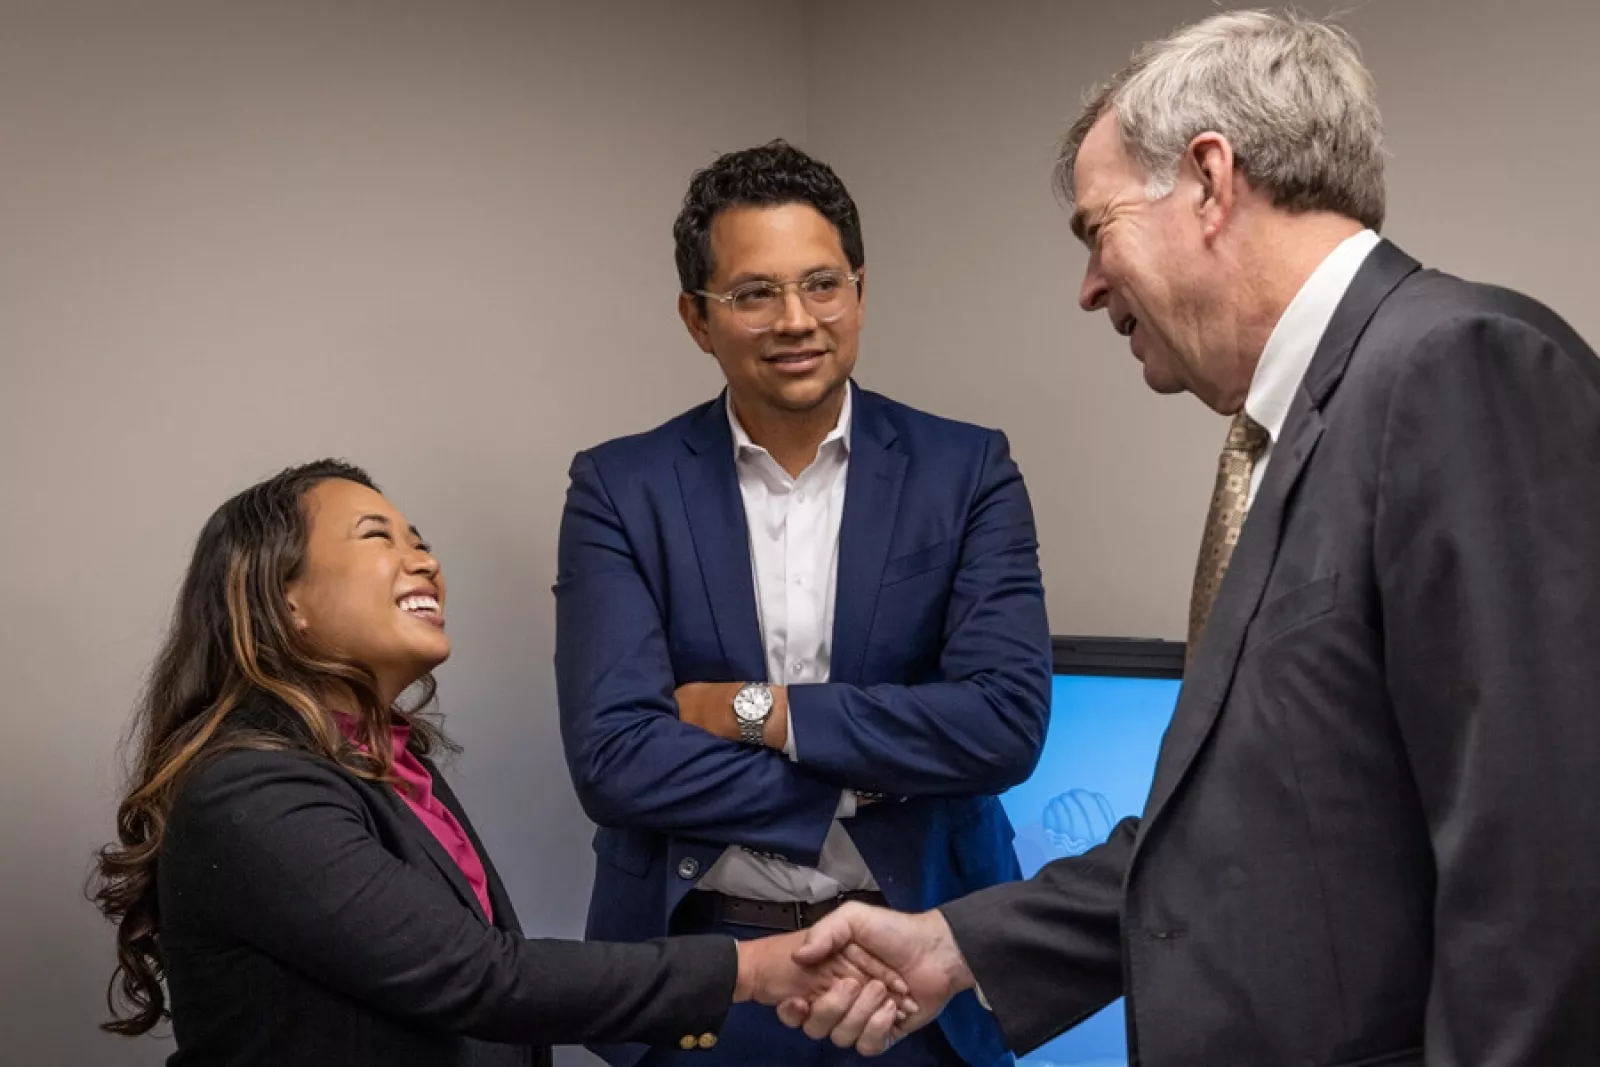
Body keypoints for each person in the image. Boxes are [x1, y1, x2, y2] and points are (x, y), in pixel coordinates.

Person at [781, 10, 1600, 1065]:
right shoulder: (1309, 422)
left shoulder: (1457, 367)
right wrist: (953, 942)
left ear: (1210, 179)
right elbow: (1238, 829)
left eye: (1095, 231)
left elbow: (1547, 872)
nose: (1087, 288)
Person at [90, 459, 904, 1067]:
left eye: (423, 540)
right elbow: (481, 979)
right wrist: (752, 968)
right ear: (282, 598)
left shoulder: (384, 764)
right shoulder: (250, 787)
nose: (424, 560)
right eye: (379, 537)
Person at [554, 141, 1051, 1067]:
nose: (796, 320)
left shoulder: (966, 470)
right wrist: (866, 778)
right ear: (698, 319)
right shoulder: (621, 489)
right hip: (711, 978)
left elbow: (1004, 725)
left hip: (918, 975)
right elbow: (616, 759)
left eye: (822, 284)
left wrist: (761, 711)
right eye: (754, 294)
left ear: (859, 290)